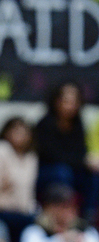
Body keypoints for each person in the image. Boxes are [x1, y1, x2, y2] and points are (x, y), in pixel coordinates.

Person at [34, 81, 99, 221]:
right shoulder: (45, 124)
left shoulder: (78, 125)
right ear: (56, 101)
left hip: (72, 169)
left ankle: (88, 216)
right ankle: (64, 215)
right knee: (63, 171)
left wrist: (88, 161)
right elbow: (52, 155)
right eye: (66, 101)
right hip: (47, 172)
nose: (69, 106)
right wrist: (82, 161)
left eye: (74, 101)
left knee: (93, 176)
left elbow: (81, 151)